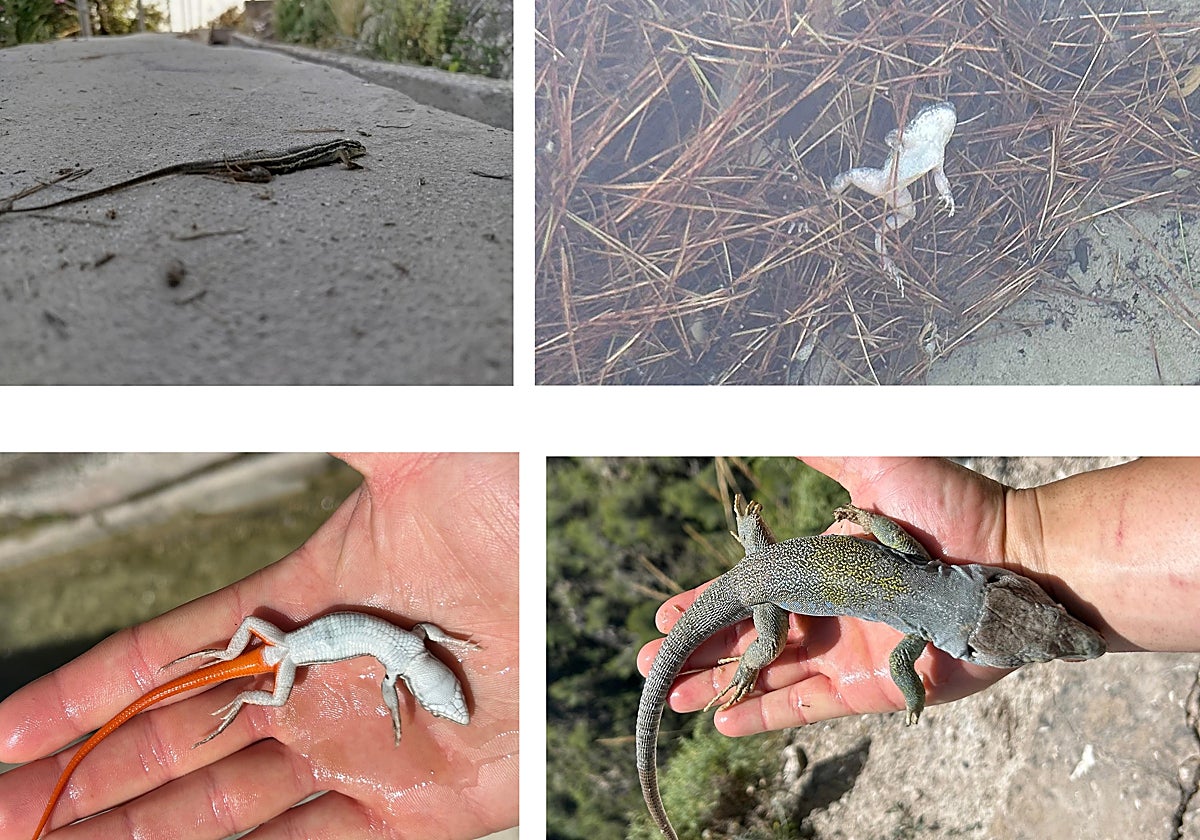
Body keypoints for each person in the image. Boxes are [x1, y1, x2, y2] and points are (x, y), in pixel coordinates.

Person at [0, 453, 518, 840]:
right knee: (260, 694)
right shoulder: (397, 667)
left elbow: (428, 634)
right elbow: (396, 685)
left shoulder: (411, 643)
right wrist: (400, 718)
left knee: (216, 674)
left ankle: (232, 677)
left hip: (286, 644)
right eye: (443, 700)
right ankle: (241, 693)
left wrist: (435, 657)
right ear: (430, 680)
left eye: (442, 705)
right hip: (283, 654)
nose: (448, 704)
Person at [637, 456, 1198, 737]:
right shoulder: (911, 616)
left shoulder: (919, 576)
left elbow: (895, 548)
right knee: (771, 641)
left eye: (1051, 615)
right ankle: (750, 661)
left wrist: (913, 696)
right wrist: (907, 694)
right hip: (763, 586)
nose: (1067, 629)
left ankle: (751, 550)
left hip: (767, 570)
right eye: (1051, 619)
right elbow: (899, 660)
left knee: (774, 632)